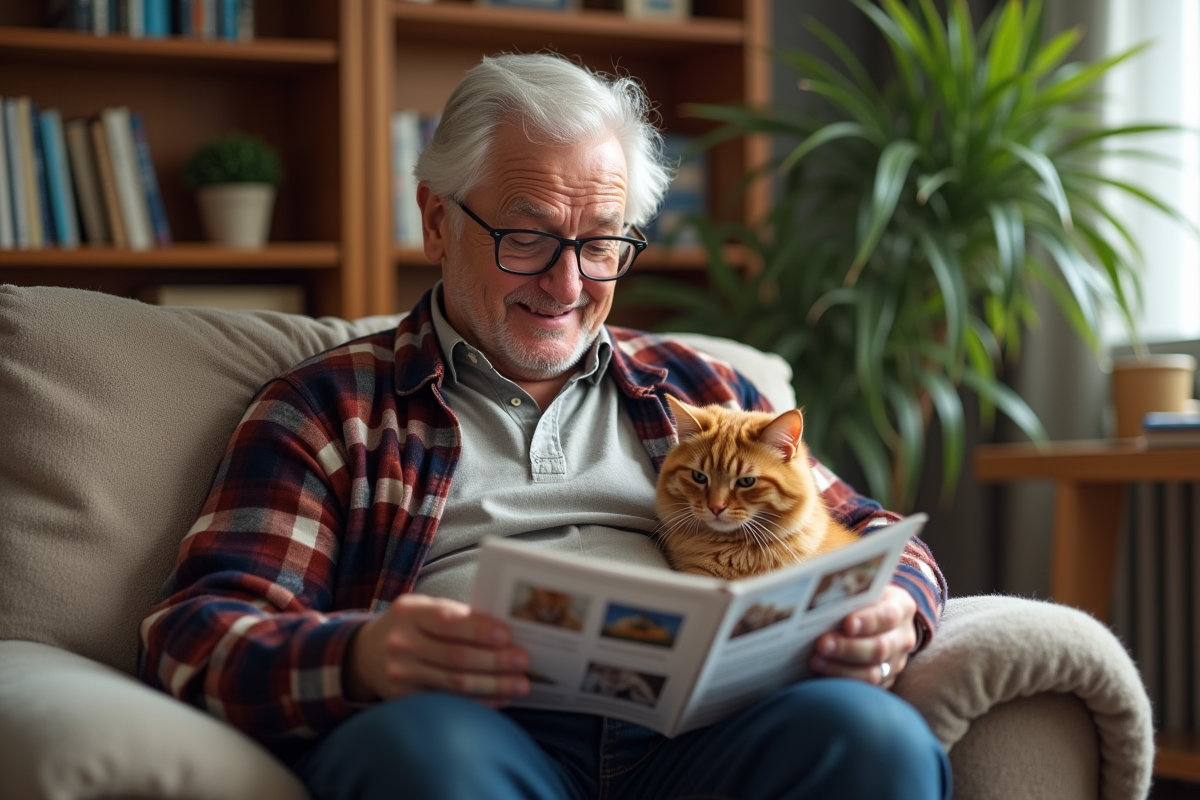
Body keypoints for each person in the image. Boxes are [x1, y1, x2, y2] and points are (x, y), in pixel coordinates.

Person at [138, 53, 951, 800]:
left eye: (601, 244)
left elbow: (882, 535)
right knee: (419, 757)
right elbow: (193, 639)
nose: (567, 283)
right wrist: (364, 655)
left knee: (876, 740)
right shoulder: (333, 407)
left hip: (704, 737)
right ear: (436, 221)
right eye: (526, 237)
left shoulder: (703, 390)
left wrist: (893, 611)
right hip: (476, 731)